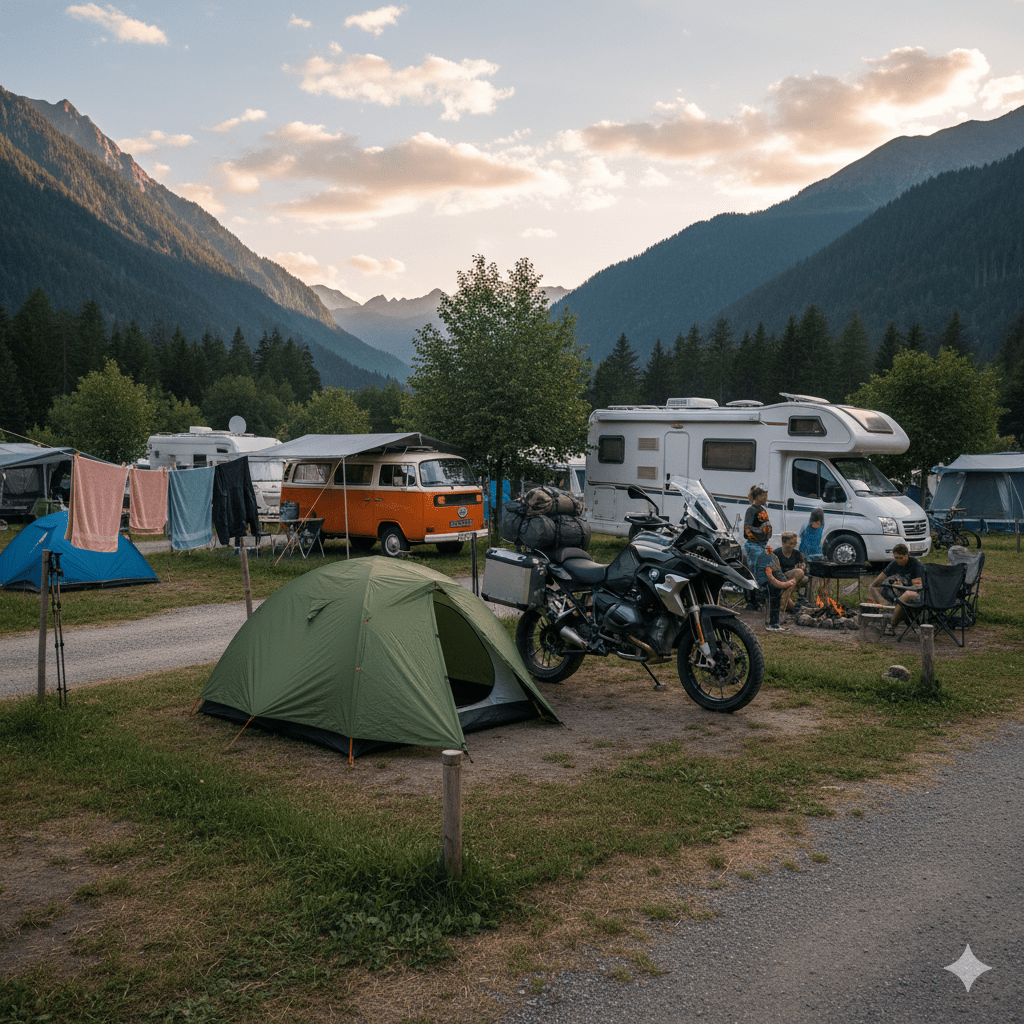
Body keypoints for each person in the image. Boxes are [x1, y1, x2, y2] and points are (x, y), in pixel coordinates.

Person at [868, 542, 924, 634]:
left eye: (900, 558)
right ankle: (883, 615)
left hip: (920, 594)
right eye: (896, 558)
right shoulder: (894, 564)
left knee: (907, 594)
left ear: (906, 556)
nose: (898, 560)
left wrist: (901, 587)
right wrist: (881, 601)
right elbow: (874, 585)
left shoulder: (915, 563)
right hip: (902, 593)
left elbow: (918, 586)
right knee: (881, 588)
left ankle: (891, 626)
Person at [743, 486, 772, 611]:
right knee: (755, 572)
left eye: (766, 495)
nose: (765, 497)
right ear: (756, 497)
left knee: (760, 570)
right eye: (763, 495)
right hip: (754, 546)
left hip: (761, 545)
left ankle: (757, 599)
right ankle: (752, 600)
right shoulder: (751, 510)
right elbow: (747, 529)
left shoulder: (761, 509)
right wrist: (760, 535)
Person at [764, 546, 797, 631]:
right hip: (768, 577)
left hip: (772, 574)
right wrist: (784, 582)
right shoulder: (766, 554)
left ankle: (774, 623)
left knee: (776, 594)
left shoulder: (770, 554)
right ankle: (773, 624)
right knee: (774, 593)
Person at [776, 531, 806, 614]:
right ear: (783, 542)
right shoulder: (777, 553)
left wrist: (802, 566)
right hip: (780, 578)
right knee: (799, 573)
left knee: (803, 576)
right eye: (791, 543)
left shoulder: (796, 553)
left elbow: (802, 564)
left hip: (793, 579)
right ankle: (784, 605)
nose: (793, 545)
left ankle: (786, 602)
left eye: (795, 543)